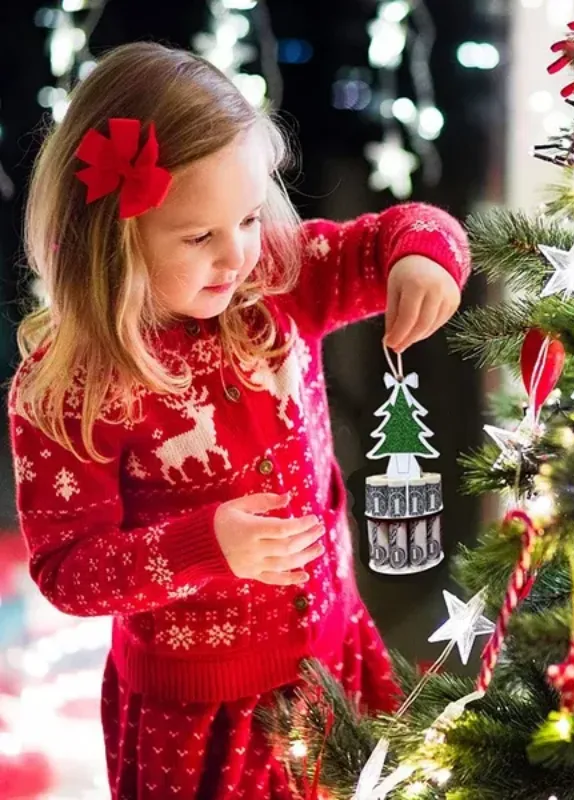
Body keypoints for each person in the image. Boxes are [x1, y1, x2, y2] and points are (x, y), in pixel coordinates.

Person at [7, 42, 470, 799]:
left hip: (331, 655)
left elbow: (402, 229)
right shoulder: (70, 386)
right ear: (112, 241)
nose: (236, 256)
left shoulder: (278, 282)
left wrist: (422, 257)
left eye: (250, 218)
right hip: (196, 716)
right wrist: (204, 546)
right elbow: (68, 572)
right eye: (199, 237)